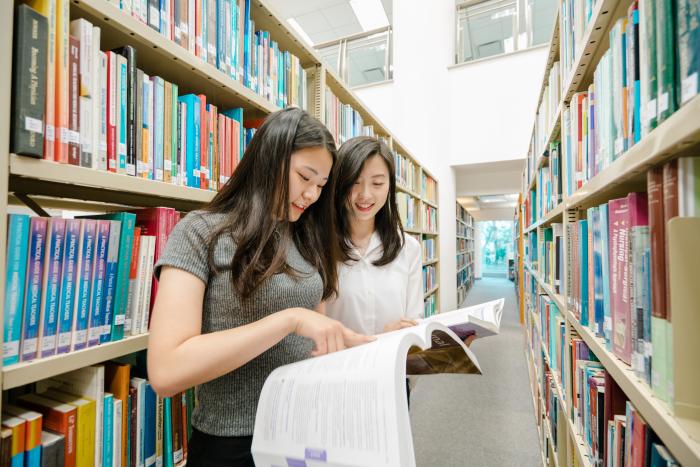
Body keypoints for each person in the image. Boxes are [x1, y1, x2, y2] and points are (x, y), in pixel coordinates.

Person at [147, 108, 374, 467]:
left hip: (307, 434)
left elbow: (315, 347)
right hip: (233, 445)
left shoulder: (309, 237)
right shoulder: (199, 232)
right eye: (305, 177)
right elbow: (165, 371)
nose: (313, 194)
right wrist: (289, 320)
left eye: (322, 185)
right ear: (270, 158)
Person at [324, 136, 423, 334]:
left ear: (389, 186)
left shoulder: (409, 248)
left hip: (392, 362)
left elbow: (413, 322)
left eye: (377, 183)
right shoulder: (320, 245)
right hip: (337, 364)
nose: (365, 195)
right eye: (354, 182)